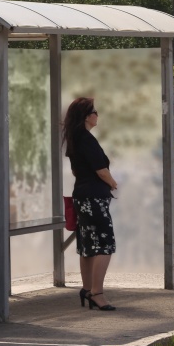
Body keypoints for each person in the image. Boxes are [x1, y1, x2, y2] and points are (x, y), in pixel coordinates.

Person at [62, 97, 118, 311]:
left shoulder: (76, 138)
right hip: (94, 197)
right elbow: (101, 170)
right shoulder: (86, 139)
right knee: (105, 244)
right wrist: (113, 183)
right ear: (86, 116)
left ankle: (87, 289)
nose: (97, 115)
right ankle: (97, 293)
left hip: (82, 196)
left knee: (87, 245)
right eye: (94, 111)